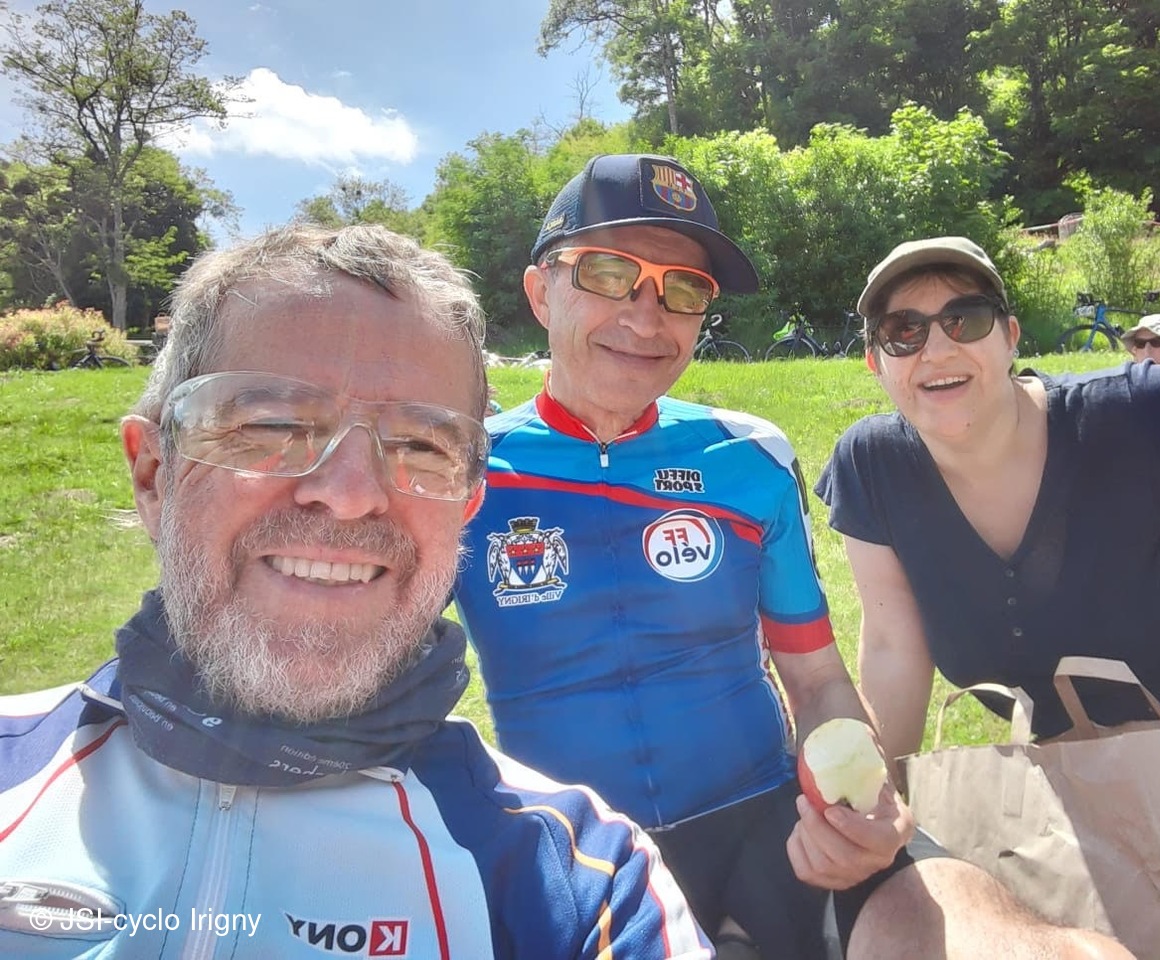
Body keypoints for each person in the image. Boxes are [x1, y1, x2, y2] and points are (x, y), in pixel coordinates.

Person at [452, 156, 1134, 959]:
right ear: (541, 293)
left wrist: (863, 792)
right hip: (570, 854)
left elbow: (815, 680)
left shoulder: (749, 458)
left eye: (684, 289)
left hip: (777, 827)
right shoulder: (460, 470)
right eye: (608, 273)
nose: (647, 315)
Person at [0, 224, 711, 958]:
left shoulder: (581, 880)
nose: (348, 495)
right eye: (272, 424)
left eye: (421, 446)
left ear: (466, 506)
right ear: (154, 476)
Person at [817, 236, 1160, 805]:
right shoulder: (873, 466)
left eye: (965, 319)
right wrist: (877, 801)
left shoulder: (1135, 411)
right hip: (1108, 785)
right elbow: (893, 647)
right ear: (876, 363)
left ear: (1010, 337)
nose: (935, 349)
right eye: (903, 331)